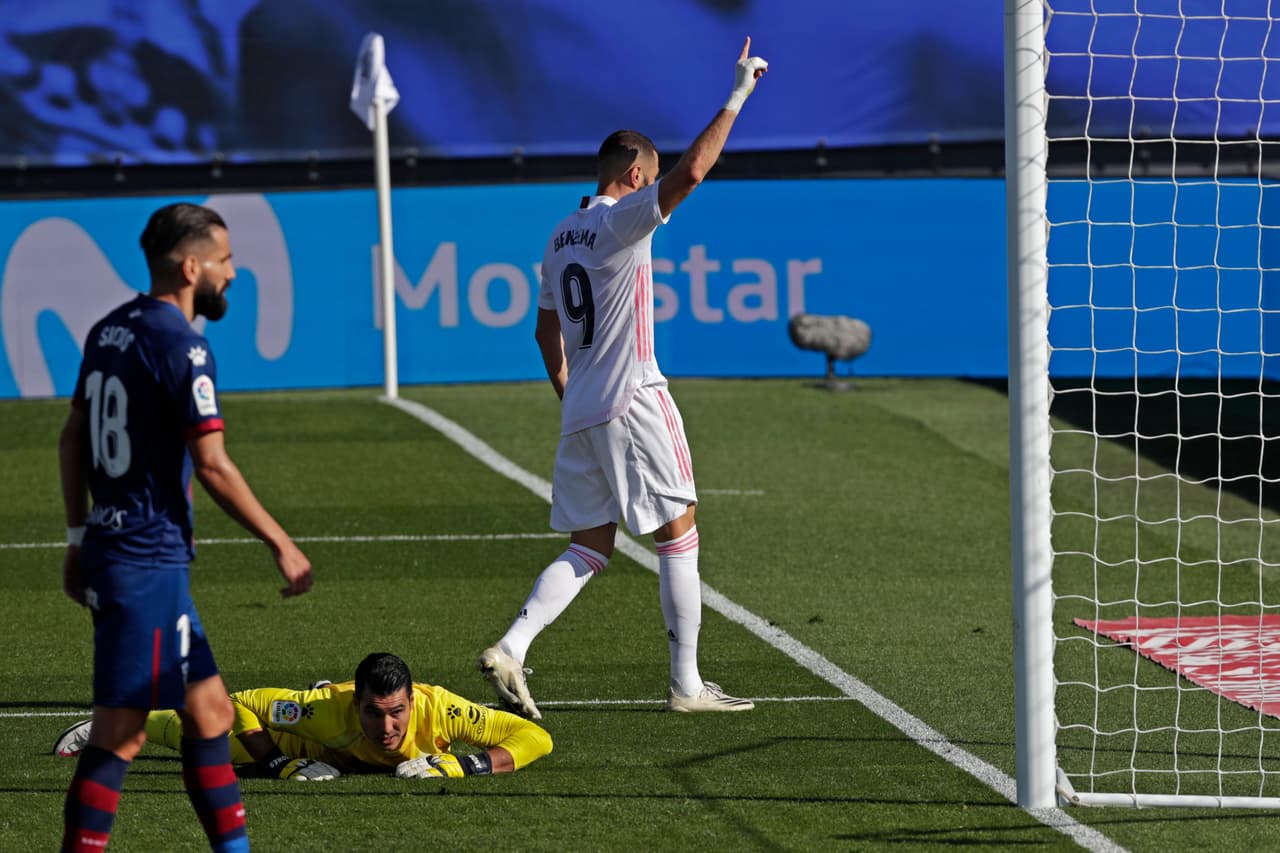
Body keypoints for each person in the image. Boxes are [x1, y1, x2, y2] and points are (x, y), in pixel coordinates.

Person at [478, 38, 769, 719]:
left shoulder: (558, 236)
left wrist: (570, 391)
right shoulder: (625, 220)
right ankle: (687, 684)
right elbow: (695, 170)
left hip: (582, 407)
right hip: (634, 396)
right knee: (678, 530)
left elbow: (543, 332)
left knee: (590, 544)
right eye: (653, 176)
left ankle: (514, 644)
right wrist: (738, 93)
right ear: (636, 176)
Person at [56, 202, 313, 852]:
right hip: (146, 562)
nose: (233, 272)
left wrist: (78, 535)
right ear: (191, 265)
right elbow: (214, 465)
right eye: (225, 260)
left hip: (129, 552)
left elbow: (70, 437)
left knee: (211, 714)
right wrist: (281, 542)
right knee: (121, 733)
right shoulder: (183, 344)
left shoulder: (108, 330)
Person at [56, 652, 553, 780]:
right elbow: (237, 703)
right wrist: (274, 763)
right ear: (354, 703)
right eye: (374, 714)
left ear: (411, 702)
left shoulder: (441, 709)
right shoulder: (322, 713)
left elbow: (535, 736)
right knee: (203, 730)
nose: (388, 728)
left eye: (397, 713)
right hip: (298, 743)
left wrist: (471, 765)